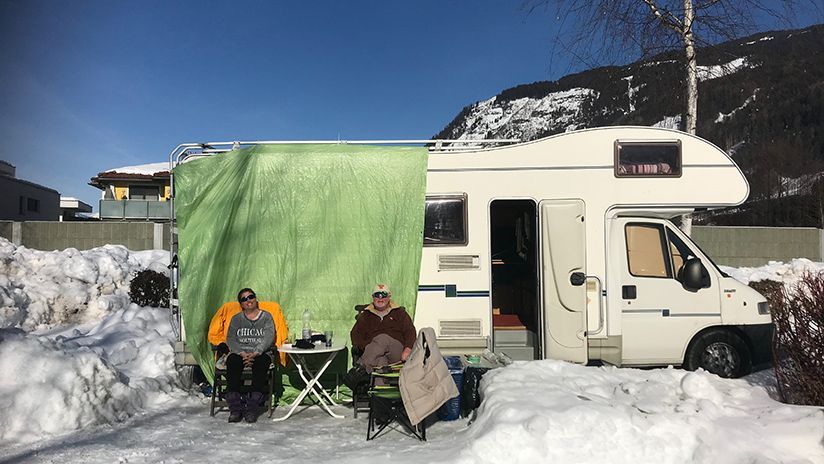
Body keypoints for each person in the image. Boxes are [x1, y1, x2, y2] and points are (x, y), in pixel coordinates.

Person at [212, 288, 276, 423]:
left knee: (261, 363)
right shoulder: (236, 319)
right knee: (233, 361)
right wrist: (241, 353)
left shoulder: (266, 317)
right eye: (244, 299)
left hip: (261, 352)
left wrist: (256, 352)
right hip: (240, 352)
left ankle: (252, 408)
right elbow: (231, 338)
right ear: (240, 303)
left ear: (255, 298)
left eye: (250, 297)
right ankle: (235, 408)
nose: (248, 301)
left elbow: (269, 337)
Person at [343, 283, 416, 390]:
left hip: (397, 353)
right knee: (380, 361)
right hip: (375, 356)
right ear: (373, 297)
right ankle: (380, 398)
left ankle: (360, 369)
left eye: (383, 294)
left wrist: (408, 348)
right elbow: (355, 334)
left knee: (383, 338)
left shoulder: (399, 313)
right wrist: (368, 348)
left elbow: (410, 331)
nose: (380, 298)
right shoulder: (366, 315)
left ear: (389, 297)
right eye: (377, 295)